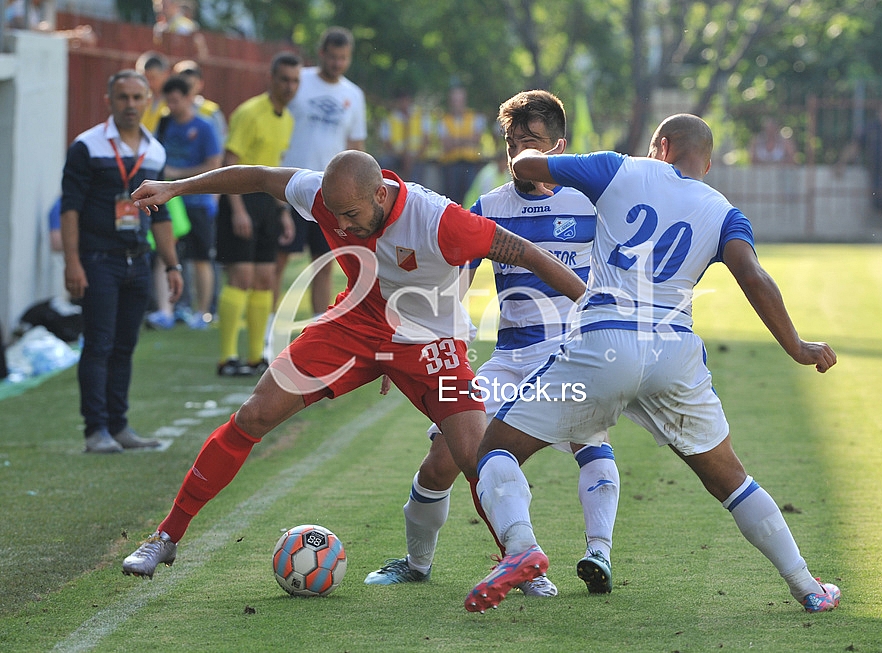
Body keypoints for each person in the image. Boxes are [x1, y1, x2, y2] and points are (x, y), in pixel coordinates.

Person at [120, 149, 587, 579]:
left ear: (380, 194)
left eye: (351, 214)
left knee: (473, 456)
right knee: (254, 414)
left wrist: (592, 307)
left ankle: (523, 565)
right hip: (355, 325)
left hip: (430, 341)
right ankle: (165, 537)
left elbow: (529, 254)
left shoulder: (439, 219)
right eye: (334, 214)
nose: (341, 224)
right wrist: (176, 188)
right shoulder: (322, 195)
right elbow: (259, 177)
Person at [464, 113, 841, 614]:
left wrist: (531, 151)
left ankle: (521, 547)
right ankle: (807, 585)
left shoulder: (619, 168)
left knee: (495, 449)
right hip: (674, 354)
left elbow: (527, 165)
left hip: (604, 343)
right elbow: (754, 276)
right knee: (731, 480)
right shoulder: (724, 210)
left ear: (660, 146)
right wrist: (796, 345)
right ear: (707, 163)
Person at [364, 90, 619, 597]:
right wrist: (408, 344)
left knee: (590, 441)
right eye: (511, 142)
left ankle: (598, 553)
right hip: (509, 358)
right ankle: (418, 563)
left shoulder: (593, 204)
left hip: (571, 354)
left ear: (559, 146)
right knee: (445, 456)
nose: (519, 152)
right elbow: (452, 284)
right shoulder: (489, 207)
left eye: (531, 142)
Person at [60, 70, 183, 453]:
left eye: (137, 97)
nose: (130, 104)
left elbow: (161, 213)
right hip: (98, 260)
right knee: (98, 344)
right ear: (109, 101)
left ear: (148, 101)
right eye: (123, 97)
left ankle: (119, 426)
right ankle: (95, 430)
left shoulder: (155, 150)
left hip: (138, 260)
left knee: (125, 346)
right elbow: (70, 208)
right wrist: (72, 262)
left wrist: (172, 265)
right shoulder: (87, 146)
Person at [214, 51, 300, 376]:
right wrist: (237, 209)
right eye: (284, 79)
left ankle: (255, 357)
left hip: (268, 205)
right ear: (272, 79)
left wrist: (284, 212)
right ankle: (226, 358)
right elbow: (229, 161)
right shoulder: (249, 112)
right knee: (241, 277)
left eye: (295, 81)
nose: (290, 86)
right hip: (241, 201)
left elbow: (275, 168)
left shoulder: (287, 120)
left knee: (265, 278)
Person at [277, 27, 367, 323]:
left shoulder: (353, 94)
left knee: (325, 261)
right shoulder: (298, 81)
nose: (337, 63)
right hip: (289, 184)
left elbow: (356, 146)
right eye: (333, 57)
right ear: (321, 54)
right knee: (279, 258)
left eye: (343, 58)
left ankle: (318, 323)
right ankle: (269, 325)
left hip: (330, 192)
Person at [154, 75, 223, 329]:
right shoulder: (163, 124)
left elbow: (214, 165)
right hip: (170, 202)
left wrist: (177, 175)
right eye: (168, 101)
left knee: (201, 258)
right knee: (164, 254)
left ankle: (202, 312)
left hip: (197, 202)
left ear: (188, 98)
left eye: (176, 100)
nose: (172, 106)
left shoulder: (204, 127)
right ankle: (165, 310)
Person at [438, 85, 487, 207]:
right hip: (451, 164)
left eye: (459, 100)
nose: (457, 103)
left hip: (470, 163)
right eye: (454, 100)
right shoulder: (444, 120)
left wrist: (455, 140)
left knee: (470, 196)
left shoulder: (474, 117)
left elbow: (476, 139)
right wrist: (467, 139)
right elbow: (446, 144)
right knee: (452, 199)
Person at [377, 88, 430, 184]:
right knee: (384, 162)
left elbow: (426, 140)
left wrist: (414, 156)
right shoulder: (390, 119)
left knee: (416, 172)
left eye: (405, 100)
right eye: (401, 101)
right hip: (397, 156)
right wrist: (401, 155)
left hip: (417, 156)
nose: (403, 103)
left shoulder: (420, 116)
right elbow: (386, 143)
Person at [135, 51, 171, 134]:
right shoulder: (136, 100)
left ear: (166, 74)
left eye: (152, 78)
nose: (148, 83)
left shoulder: (174, 101)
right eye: (144, 78)